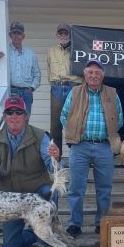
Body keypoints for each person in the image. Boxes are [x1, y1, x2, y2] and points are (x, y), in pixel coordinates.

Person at [0, 95, 62, 247]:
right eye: (10, 112)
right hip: (11, 199)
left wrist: (56, 158)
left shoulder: (40, 136)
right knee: (10, 246)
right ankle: (37, 232)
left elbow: (51, 163)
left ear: (26, 116)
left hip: (37, 192)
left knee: (51, 192)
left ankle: (44, 244)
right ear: (4, 116)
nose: (14, 116)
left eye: (19, 112)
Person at [60, 59, 124, 237]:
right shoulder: (75, 92)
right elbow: (64, 116)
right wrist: (74, 131)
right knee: (76, 188)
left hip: (104, 146)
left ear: (102, 75)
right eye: (90, 72)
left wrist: (108, 132)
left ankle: (101, 223)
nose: (94, 75)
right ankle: (75, 224)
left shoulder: (112, 93)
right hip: (80, 146)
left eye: (97, 72)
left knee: (104, 188)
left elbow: (119, 118)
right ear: (85, 75)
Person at [0, 21, 42, 113]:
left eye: (19, 33)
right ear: (10, 35)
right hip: (11, 91)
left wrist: (31, 88)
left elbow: (37, 74)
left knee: (25, 119)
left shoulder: (31, 53)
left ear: (23, 36)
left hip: (26, 92)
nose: (16, 36)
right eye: (14, 33)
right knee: (12, 120)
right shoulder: (4, 51)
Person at [48, 23, 81, 155]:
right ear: (57, 35)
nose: (63, 35)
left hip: (73, 87)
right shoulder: (51, 51)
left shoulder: (77, 50)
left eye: (65, 33)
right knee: (55, 126)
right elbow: (49, 70)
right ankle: (56, 160)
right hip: (56, 88)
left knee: (74, 124)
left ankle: (76, 156)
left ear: (70, 35)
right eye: (60, 33)